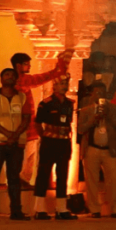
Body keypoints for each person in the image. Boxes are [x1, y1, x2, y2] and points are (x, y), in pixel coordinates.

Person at [11, 50, 73, 187]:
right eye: (26, 64)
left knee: (30, 157)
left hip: (29, 128)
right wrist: (55, 71)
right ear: (18, 65)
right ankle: (19, 182)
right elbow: (39, 79)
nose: (29, 66)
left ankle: (23, 181)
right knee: (25, 158)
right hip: (22, 128)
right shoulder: (19, 80)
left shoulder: (21, 80)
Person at [0, 69, 33, 221]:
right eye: (6, 75)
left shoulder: (22, 97)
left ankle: (16, 211)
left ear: (16, 79)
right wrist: (8, 133)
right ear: (1, 79)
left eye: (12, 75)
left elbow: (26, 119)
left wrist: (15, 136)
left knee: (14, 178)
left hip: (16, 144)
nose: (10, 77)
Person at [32, 74, 76, 220]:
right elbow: (38, 123)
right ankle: (40, 209)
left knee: (63, 174)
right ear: (54, 86)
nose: (64, 86)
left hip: (64, 142)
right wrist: (45, 136)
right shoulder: (46, 103)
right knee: (43, 174)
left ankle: (61, 209)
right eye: (61, 83)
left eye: (66, 83)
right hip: (49, 142)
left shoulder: (70, 103)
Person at [79, 82, 116, 218]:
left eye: (102, 93)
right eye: (97, 93)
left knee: (114, 180)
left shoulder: (114, 108)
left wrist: (108, 115)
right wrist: (94, 119)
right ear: (92, 94)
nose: (100, 95)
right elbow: (81, 129)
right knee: (91, 180)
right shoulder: (86, 110)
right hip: (91, 148)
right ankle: (94, 209)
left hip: (109, 149)